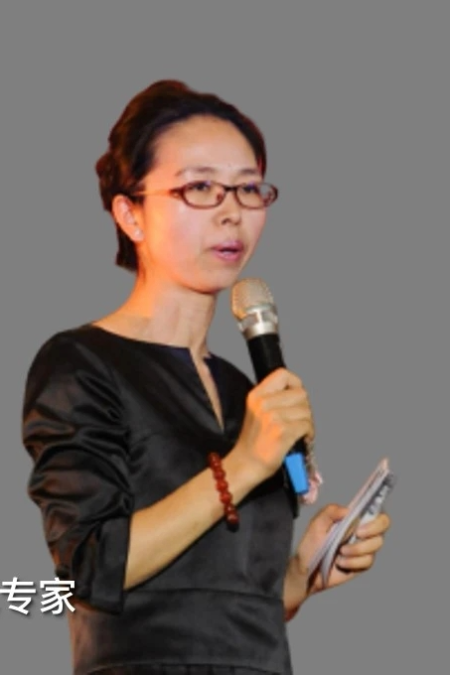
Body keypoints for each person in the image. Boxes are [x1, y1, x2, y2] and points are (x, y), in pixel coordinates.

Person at [22, 80, 391, 675]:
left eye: (248, 188)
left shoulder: (249, 392)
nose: (231, 211)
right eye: (199, 187)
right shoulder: (80, 364)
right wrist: (245, 465)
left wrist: (303, 572)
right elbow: (90, 567)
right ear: (130, 213)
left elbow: (223, 607)